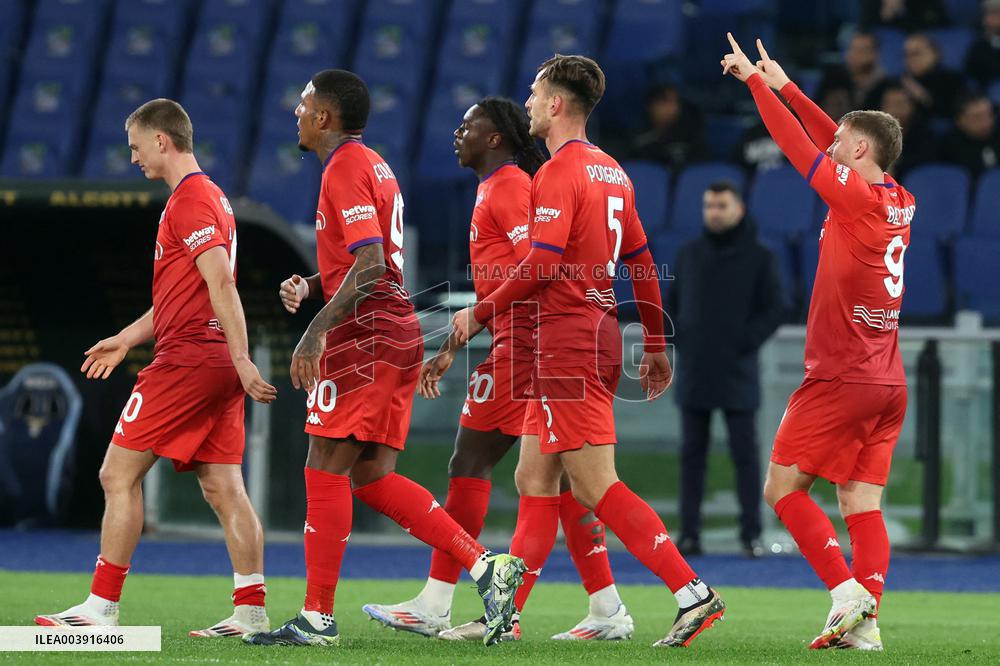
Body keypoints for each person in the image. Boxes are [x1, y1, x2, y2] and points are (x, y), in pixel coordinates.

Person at [241, 70, 524, 649]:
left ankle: (317, 617)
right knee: (371, 478)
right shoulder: (374, 164)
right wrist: (315, 286)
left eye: (303, 104)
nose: (296, 112)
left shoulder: (344, 167)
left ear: (325, 116)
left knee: (324, 464)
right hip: (395, 329)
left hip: (365, 335)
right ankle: (484, 565)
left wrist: (316, 329)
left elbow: (371, 264)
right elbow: (373, 263)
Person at [453, 54, 725, 649]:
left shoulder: (558, 172)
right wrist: (655, 341)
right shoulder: (613, 171)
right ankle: (506, 616)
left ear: (555, 104)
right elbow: (642, 261)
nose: (527, 102)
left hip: (567, 340)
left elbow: (543, 264)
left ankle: (692, 593)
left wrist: (478, 312)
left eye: (534, 93)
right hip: (594, 332)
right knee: (533, 476)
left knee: (597, 486)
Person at [362, 97, 636, 642]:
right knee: (562, 480)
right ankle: (606, 605)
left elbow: (538, 268)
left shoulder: (509, 187)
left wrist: (502, 332)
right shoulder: (500, 186)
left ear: (494, 138)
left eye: (468, 125)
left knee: (473, 459)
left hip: (526, 347)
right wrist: (460, 338)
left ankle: (439, 600)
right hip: (525, 342)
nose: (457, 133)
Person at [34, 99, 278, 637]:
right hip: (213, 358)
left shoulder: (190, 200)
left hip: (189, 359)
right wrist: (126, 339)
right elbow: (183, 294)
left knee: (116, 474)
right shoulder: (211, 197)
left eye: (136, 147)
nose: (134, 158)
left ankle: (101, 608)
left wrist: (243, 359)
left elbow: (221, 282)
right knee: (223, 486)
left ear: (162, 141)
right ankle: (251, 612)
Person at [723, 34, 914, 651]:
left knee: (781, 490)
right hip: (888, 380)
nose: (832, 146)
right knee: (861, 503)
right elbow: (839, 137)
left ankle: (845, 593)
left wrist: (757, 85)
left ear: (858, 151)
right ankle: (867, 627)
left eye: (842, 143)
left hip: (842, 375)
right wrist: (789, 87)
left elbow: (799, 146)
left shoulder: (853, 198)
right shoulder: (898, 198)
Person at [667, 181, 785, 559]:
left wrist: (744, 342)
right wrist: (684, 339)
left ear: (739, 209)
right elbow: (671, 305)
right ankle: (689, 534)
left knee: (746, 456)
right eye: (708, 206)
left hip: (737, 370)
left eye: (721, 205)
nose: (713, 212)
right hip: (696, 369)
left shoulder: (760, 256)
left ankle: (751, 534)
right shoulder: (689, 253)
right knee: (691, 456)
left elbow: (776, 308)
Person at [628, 84, 708, 170]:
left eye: (675, 102)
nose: (670, 108)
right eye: (664, 102)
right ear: (650, 105)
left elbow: (703, 165)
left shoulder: (690, 134)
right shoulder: (637, 138)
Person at [900, 32, 969, 121]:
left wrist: (923, 97)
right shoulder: (901, 83)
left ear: (935, 54)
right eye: (906, 55)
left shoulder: (953, 80)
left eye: (916, 53)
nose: (910, 59)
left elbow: (957, 115)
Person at [816, 32, 889, 112]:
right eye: (852, 49)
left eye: (862, 50)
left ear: (874, 54)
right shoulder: (833, 77)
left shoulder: (884, 85)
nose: (855, 54)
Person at [878, 84, 938, 180]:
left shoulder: (924, 136)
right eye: (887, 104)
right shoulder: (871, 133)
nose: (892, 109)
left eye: (898, 104)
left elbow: (921, 170)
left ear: (911, 107)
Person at [940, 94, 999, 178]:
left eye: (989, 114)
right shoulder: (949, 147)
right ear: (959, 121)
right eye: (977, 117)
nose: (987, 122)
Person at [965, 0, 1000, 89]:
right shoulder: (979, 45)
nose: (989, 19)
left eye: (996, 13)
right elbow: (974, 72)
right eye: (987, 14)